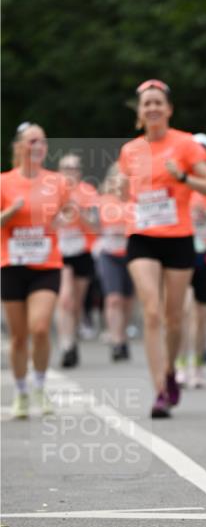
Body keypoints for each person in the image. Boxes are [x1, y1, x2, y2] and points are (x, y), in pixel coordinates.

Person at [118, 79, 206, 418]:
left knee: (174, 318)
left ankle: (171, 369)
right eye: (147, 104)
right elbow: (120, 189)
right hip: (142, 235)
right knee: (153, 311)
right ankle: (160, 388)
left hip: (178, 238)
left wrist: (183, 178)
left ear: (169, 109)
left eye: (159, 102)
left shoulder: (186, 144)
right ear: (140, 112)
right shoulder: (130, 150)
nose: (153, 108)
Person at [1, 123, 71, 417]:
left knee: (40, 329)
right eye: (32, 142)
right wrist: (11, 212)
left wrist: (62, 218)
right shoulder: (4, 182)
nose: (38, 146)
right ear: (19, 147)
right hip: (12, 265)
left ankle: (40, 388)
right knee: (18, 337)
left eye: (42, 141)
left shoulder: (56, 181)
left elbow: (69, 209)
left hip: (46, 265)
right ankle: (20, 392)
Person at [175, 133, 206, 388]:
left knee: (201, 316)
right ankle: (181, 364)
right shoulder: (177, 181)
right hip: (182, 251)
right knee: (183, 311)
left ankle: (197, 366)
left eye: (204, 153)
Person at [55, 153, 99, 367]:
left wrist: (78, 211)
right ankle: (66, 345)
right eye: (66, 168)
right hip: (59, 251)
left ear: (79, 172)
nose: (69, 172)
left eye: (73, 168)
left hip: (82, 250)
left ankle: (73, 337)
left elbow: (95, 226)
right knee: (65, 299)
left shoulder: (88, 192)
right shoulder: (51, 192)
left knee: (76, 303)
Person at [95, 163, 134, 361]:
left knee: (127, 300)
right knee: (113, 298)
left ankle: (123, 333)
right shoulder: (103, 200)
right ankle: (116, 339)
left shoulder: (134, 200)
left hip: (131, 254)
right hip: (109, 254)